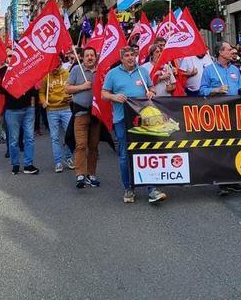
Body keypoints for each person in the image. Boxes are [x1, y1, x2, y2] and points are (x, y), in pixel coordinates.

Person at [103, 47, 166, 204]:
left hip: (143, 119)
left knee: (145, 153)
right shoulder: (113, 74)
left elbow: (151, 87)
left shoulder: (142, 72)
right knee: (125, 155)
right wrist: (114, 96)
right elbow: (104, 94)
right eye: (127, 56)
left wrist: (151, 92)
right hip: (122, 120)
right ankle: (129, 188)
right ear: (122, 58)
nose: (131, 58)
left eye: (133, 55)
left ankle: (152, 189)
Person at [200, 42, 241, 196]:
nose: (232, 51)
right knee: (221, 147)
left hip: (235, 113)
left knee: (235, 146)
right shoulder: (209, 70)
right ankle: (222, 181)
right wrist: (216, 90)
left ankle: (234, 179)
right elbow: (202, 91)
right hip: (218, 114)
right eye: (228, 49)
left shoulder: (235, 70)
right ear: (220, 52)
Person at [66, 47, 100, 188]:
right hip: (80, 114)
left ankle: (91, 174)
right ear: (82, 57)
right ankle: (80, 174)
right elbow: (67, 88)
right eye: (87, 55)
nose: (90, 57)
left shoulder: (101, 71)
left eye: (92, 55)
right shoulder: (76, 70)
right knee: (81, 145)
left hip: (96, 115)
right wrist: (82, 87)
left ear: (95, 57)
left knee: (93, 146)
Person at [2, 63, 39, 175]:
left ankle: (28, 164)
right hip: (12, 111)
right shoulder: (4, 71)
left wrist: (32, 107)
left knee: (30, 138)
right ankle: (15, 164)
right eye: (9, 56)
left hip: (28, 109)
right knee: (14, 140)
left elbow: (33, 89)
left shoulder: (26, 68)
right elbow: (1, 90)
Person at [39, 58, 74, 173]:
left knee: (69, 135)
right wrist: (43, 101)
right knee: (54, 137)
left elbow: (73, 88)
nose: (54, 68)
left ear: (60, 64)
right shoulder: (46, 76)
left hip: (66, 109)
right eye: (52, 66)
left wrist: (72, 97)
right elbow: (41, 92)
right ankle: (58, 162)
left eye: (56, 66)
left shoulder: (67, 74)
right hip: (52, 110)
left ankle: (68, 158)